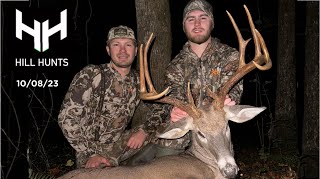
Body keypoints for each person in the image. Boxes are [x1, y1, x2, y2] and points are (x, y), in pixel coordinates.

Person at [145, 0, 243, 158]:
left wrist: (228, 100)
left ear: (212, 23)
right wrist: (174, 110)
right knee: (167, 154)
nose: (197, 23)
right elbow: (173, 96)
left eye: (203, 18)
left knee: (224, 163)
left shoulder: (230, 56)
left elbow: (234, 90)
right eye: (191, 19)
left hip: (214, 126)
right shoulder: (175, 66)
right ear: (184, 27)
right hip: (188, 124)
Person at [58, 25, 149, 168]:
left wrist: (144, 131)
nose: (123, 50)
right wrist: (91, 153)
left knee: (169, 132)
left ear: (136, 50)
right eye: (116, 45)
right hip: (90, 150)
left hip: (119, 144)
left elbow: (160, 109)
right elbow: (66, 119)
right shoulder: (92, 74)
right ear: (108, 50)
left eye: (128, 45)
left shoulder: (139, 81)